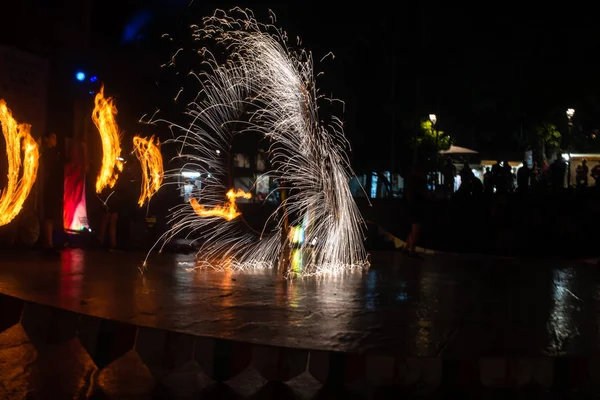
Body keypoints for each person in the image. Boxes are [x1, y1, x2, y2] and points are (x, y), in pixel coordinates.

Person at [40, 133, 62, 256]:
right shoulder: (46, 154)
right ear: (46, 139)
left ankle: (50, 243)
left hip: (53, 188)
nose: (55, 140)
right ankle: (48, 244)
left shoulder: (53, 153)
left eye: (56, 138)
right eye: (52, 137)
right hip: (49, 188)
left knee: (52, 216)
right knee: (49, 216)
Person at [404, 160, 428, 258]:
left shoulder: (411, 180)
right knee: (416, 229)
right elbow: (425, 193)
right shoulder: (419, 181)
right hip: (417, 207)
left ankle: (406, 248)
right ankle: (411, 250)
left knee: (413, 228)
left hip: (411, 206)